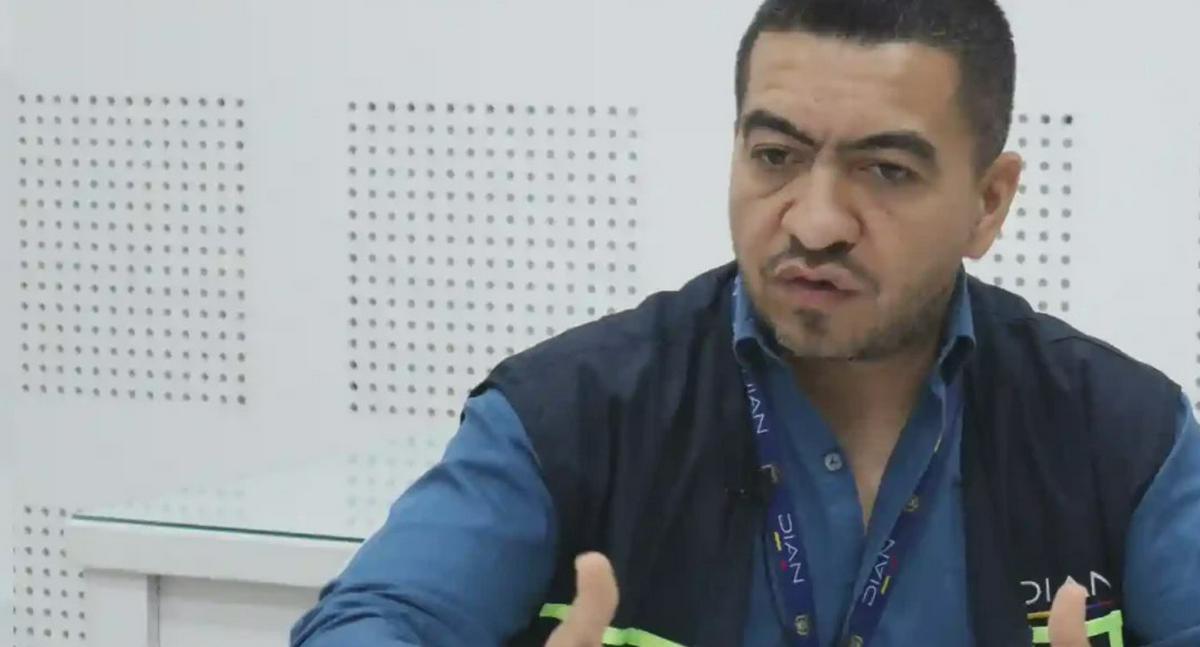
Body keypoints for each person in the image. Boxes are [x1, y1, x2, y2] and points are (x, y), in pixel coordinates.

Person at [291, 0, 1200, 645]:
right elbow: (377, 617)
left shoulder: (1125, 437)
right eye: (775, 155)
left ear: (989, 202)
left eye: (886, 170)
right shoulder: (568, 414)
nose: (815, 221)